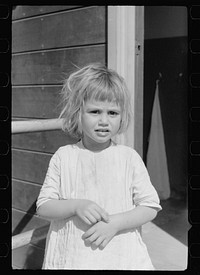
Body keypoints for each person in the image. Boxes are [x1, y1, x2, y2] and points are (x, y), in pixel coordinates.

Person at [36, 63, 162, 270]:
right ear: (78, 113)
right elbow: (44, 206)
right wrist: (76, 206)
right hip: (73, 258)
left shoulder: (128, 158)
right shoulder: (64, 157)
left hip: (120, 257)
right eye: (95, 111)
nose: (104, 120)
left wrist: (115, 223)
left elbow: (150, 207)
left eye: (113, 113)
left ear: (122, 116)